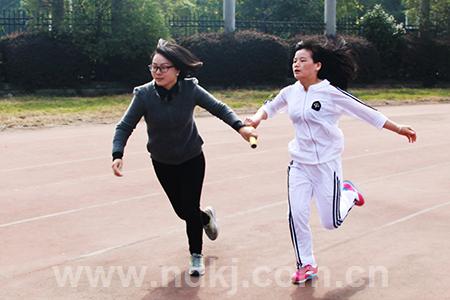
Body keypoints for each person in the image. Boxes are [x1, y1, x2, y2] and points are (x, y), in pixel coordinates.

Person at [245, 38, 417, 284]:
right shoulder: (290, 92)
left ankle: (348, 192)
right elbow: (271, 106)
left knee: (331, 222)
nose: (297, 64)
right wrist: (256, 118)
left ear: (317, 65)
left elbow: (366, 112)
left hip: (327, 164)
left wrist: (398, 128)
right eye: (295, 60)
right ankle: (306, 264)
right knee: (297, 214)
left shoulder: (331, 93)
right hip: (300, 164)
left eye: (303, 60)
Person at [112, 39, 257, 276]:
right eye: (153, 67)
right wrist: (117, 153)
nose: (157, 72)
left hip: (192, 158)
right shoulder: (144, 95)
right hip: (162, 161)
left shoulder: (190, 89)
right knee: (183, 211)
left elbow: (219, 108)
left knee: (189, 207)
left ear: (177, 70)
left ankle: (196, 255)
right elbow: (124, 126)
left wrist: (241, 127)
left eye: (163, 67)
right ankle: (206, 217)